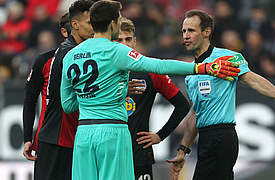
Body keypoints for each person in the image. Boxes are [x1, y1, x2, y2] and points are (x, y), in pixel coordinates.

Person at [60, 1, 240, 180]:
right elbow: (159, 65)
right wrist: (203, 68)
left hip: (83, 134)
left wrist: (96, 95)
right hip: (112, 131)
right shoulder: (115, 51)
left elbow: (67, 105)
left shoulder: (70, 56)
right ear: (113, 23)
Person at [167, 9, 275, 180]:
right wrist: (183, 149)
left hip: (222, 136)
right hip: (205, 139)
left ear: (207, 32)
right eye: (184, 31)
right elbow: (195, 113)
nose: (185, 35)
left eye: (191, 30)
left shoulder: (227, 57)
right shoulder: (191, 72)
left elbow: (253, 79)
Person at [117, 17, 190, 180]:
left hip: (139, 154)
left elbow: (182, 106)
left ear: (134, 41)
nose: (124, 44)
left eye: (128, 39)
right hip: (108, 152)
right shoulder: (101, 71)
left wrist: (160, 135)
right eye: (118, 40)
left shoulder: (150, 70)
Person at [29, 1, 94, 180]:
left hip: (76, 138)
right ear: (73, 27)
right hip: (56, 138)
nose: (94, 28)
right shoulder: (66, 55)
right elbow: (32, 99)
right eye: (89, 23)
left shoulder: (83, 52)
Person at [23, 12, 70, 160]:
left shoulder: (96, 60)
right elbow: (30, 99)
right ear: (65, 32)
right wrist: (27, 138)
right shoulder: (44, 61)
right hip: (49, 141)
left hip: (84, 140)